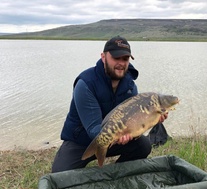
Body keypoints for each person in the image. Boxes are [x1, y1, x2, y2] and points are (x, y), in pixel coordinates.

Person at [52, 36, 168, 173]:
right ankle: (95, 155)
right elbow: (93, 128)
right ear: (103, 57)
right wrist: (118, 135)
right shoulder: (86, 84)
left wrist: (151, 119)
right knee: (59, 174)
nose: (121, 63)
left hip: (114, 137)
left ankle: (115, 174)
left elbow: (136, 122)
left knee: (143, 145)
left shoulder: (130, 85)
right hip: (81, 141)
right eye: (116, 58)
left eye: (125, 59)